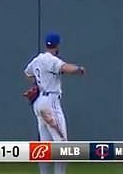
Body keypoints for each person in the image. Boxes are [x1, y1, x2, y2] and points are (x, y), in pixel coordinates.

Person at [23, 33, 85, 174]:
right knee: (63, 147)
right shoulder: (51, 60)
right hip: (50, 102)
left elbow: (27, 73)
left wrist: (39, 83)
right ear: (57, 46)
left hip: (39, 103)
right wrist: (79, 69)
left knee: (44, 146)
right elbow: (65, 68)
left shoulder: (38, 59)